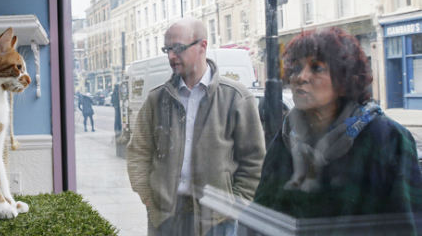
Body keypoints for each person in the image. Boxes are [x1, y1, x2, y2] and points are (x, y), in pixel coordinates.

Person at [254, 27, 422, 231]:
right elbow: (260, 216)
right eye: (296, 67)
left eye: (316, 68)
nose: (301, 77)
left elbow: (406, 225)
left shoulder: (387, 139)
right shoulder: (287, 137)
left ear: (344, 80)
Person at [126, 18, 266, 236]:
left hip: (217, 221)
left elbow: (254, 161)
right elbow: (138, 153)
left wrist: (234, 205)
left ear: (203, 46)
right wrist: (148, 198)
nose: (172, 56)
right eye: (168, 49)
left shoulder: (236, 98)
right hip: (165, 217)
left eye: (178, 48)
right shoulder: (156, 99)